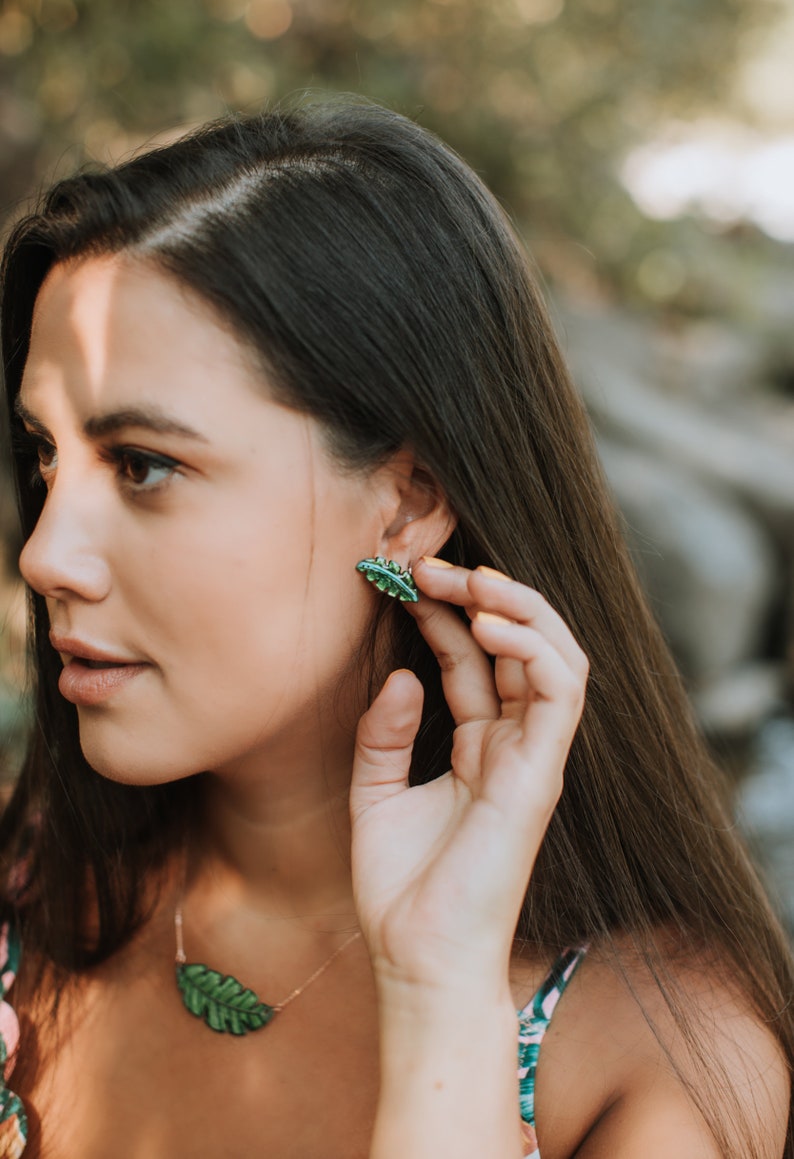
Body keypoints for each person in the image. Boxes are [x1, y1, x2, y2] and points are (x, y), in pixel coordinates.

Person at [0, 96, 790, 1159]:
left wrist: (438, 986)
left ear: (409, 503)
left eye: (143, 465)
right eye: (46, 456)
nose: (45, 554)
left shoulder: (660, 1058)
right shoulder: (27, 906)